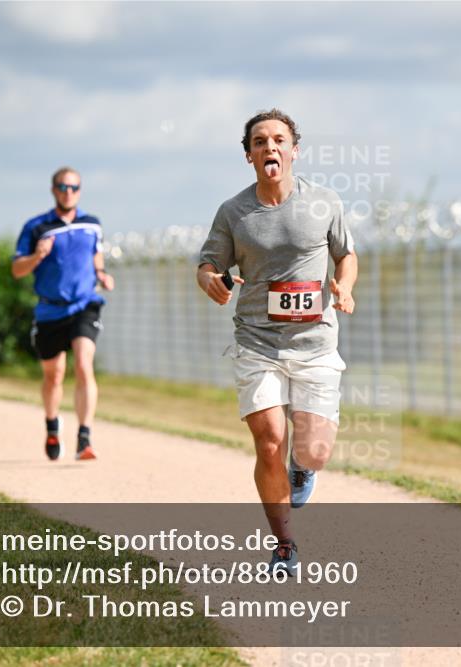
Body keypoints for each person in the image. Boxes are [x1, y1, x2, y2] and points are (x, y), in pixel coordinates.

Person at [197, 109, 357, 573]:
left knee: (314, 451)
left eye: (279, 140)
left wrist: (343, 286)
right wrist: (210, 280)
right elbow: (208, 264)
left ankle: (303, 468)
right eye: (260, 141)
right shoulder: (234, 212)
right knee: (269, 441)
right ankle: (284, 545)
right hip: (257, 342)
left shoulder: (324, 202)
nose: (270, 147)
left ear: (294, 150)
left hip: (315, 345)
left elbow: (346, 256)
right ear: (248, 155)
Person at [12, 167, 114, 462]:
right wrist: (37, 256)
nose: (68, 192)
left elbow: (96, 255)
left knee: (84, 364)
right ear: (53, 190)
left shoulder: (92, 224)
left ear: (79, 190)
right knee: (53, 375)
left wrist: (102, 274)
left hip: (84, 305)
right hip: (49, 310)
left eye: (73, 187)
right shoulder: (37, 227)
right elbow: (17, 270)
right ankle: (52, 424)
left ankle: (85, 436)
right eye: (62, 186)